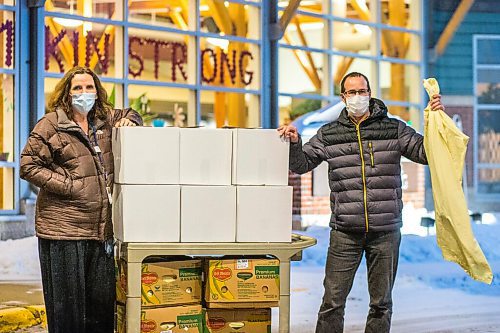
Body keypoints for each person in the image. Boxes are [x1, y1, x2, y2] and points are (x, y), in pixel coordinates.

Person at [278, 72, 444, 333]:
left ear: (370, 93)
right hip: (345, 232)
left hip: (385, 231)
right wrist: (294, 144)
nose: (357, 97)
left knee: (381, 304)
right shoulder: (329, 133)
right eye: (351, 92)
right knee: (332, 302)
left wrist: (437, 121)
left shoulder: (393, 129)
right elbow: (301, 165)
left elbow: (427, 153)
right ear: (343, 97)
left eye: (362, 91)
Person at [20, 66, 143, 333]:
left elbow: (132, 113)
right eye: (78, 88)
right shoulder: (52, 124)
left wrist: (131, 121)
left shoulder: (105, 120)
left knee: (101, 310)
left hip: (99, 233)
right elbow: (28, 165)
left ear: (97, 92)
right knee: (68, 314)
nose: (84, 93)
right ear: (67, 93)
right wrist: (68, 185)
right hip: (63, 232)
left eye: (89, 88)